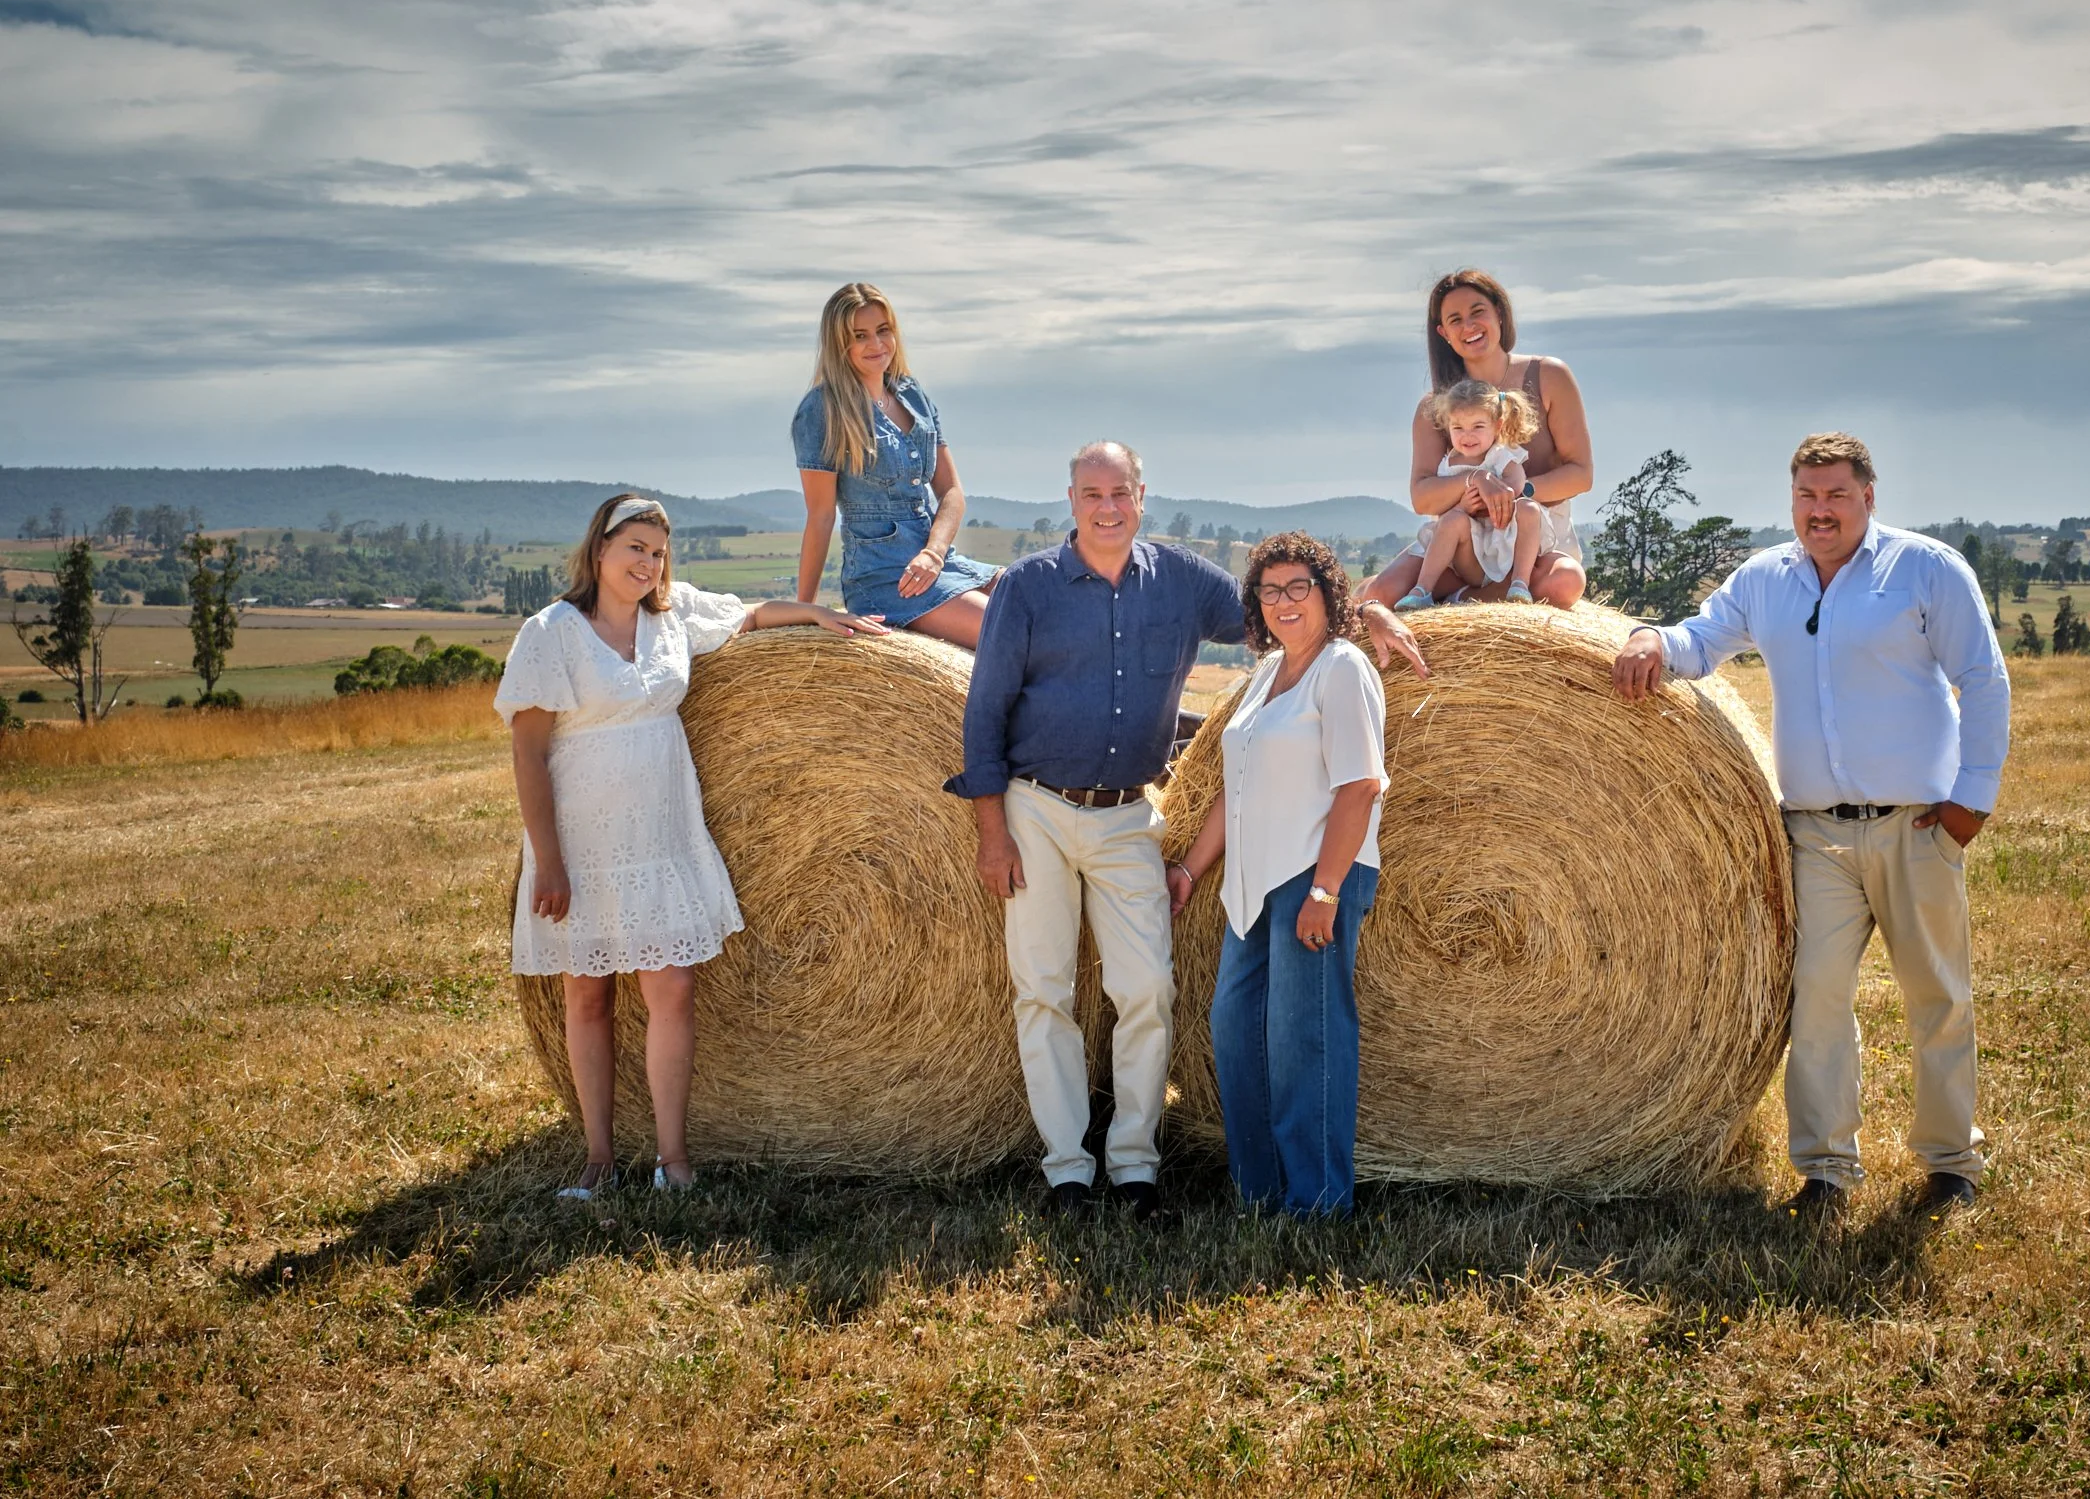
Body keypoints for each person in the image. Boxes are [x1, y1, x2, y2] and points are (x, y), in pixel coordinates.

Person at [947, 442, 1428, 1224]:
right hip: (1035, 806)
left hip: (1130, 813)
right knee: (1044, 990)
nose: (1108, 507)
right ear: (1071, 498)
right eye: (1092, 493)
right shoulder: (1028, 587)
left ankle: (1135, 1163)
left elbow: (1278, 607)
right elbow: (984, 713)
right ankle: (1069, 1169)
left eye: (1121, 492)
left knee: (1148, 988)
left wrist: (1366, 607)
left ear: (1142, 495)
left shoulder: (1178, 578)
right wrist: (992, 830)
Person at [1612, 433, 2010, 1219]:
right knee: (1816, 1000)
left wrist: (1970, 803)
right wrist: (1650, 638)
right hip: (1815, 834)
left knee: (1937, 995)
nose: (1819, 510)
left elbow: (1982, 679)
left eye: (1834, 495)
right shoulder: (1767, 579)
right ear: (1791, 498)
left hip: (1916, 824)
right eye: (1806, 496)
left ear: (1868, 495)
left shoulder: (1924, 569)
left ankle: (1950, 1162)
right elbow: (1705, 639)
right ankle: (1826, 1170)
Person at [500, 493, 888, 1199]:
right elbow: (528, 752)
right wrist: (547, 858)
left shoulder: (671, 617)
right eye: (635, 548)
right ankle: (597, 1158)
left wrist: (814, 615)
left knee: (673, 987)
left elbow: (748, 616)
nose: (647, 563)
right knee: (586, 996)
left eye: (657, 552)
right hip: (583, 842)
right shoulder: (550, 632)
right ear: (600, 549)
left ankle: (673, 1160)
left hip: (662, 835)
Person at [1167, 533, 1387, 1216]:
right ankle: (1259, 1194)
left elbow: (1360, 786)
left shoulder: (1342, 669)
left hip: (1313, 872)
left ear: (1328, 593)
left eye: (1299, 587)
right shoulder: (1265, 674)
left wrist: (1324, 889)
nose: (1284, 601)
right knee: (1234, 1028)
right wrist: (1190, 869)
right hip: (1252, 883)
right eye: (1270, 590)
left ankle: (1318, 1202)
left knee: (1304, 1039)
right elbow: (1237, 786)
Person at [1358, 268, 1592, 609]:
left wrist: (1515, 493)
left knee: (1565, 583)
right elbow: (1422, 498)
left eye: (1477, 312)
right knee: (1381, 596)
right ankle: (1453, 592)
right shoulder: (1433, 407)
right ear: (1444, 333)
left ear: (1499, 312)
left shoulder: (1549, 376)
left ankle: (1461, 601)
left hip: (1530, 538)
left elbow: (1580, 474)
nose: (1468, 326)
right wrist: (1477, 480)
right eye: (1455, 319)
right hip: (1462, 540)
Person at [792, 282, 998, 649]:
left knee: (1038, 595)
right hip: (885, 579)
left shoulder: (911, 394)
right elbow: (821, 516)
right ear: (840, 344)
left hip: (939, 562)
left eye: (883, 331)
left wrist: (933, 553)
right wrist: (802, 612)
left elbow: (951, 492)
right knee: (1004, 628)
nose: (876, 345)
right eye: (860, 336)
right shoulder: (822, 410)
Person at [1393, 378, 1543, 609]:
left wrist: (1498, 497)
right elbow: (1443, 509)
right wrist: (1462, 507)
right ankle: (1422, 590)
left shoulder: (1499, 455)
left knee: (1530, 509)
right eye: (1458, 428)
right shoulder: (1449, 465)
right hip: (1470, 557)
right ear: (1448, 427)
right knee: (1452, 520)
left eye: (1478, 427)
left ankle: (1520, 583)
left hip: (1503, 540)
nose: (1467, 435)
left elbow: (1517, 480)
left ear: (1498, 426)